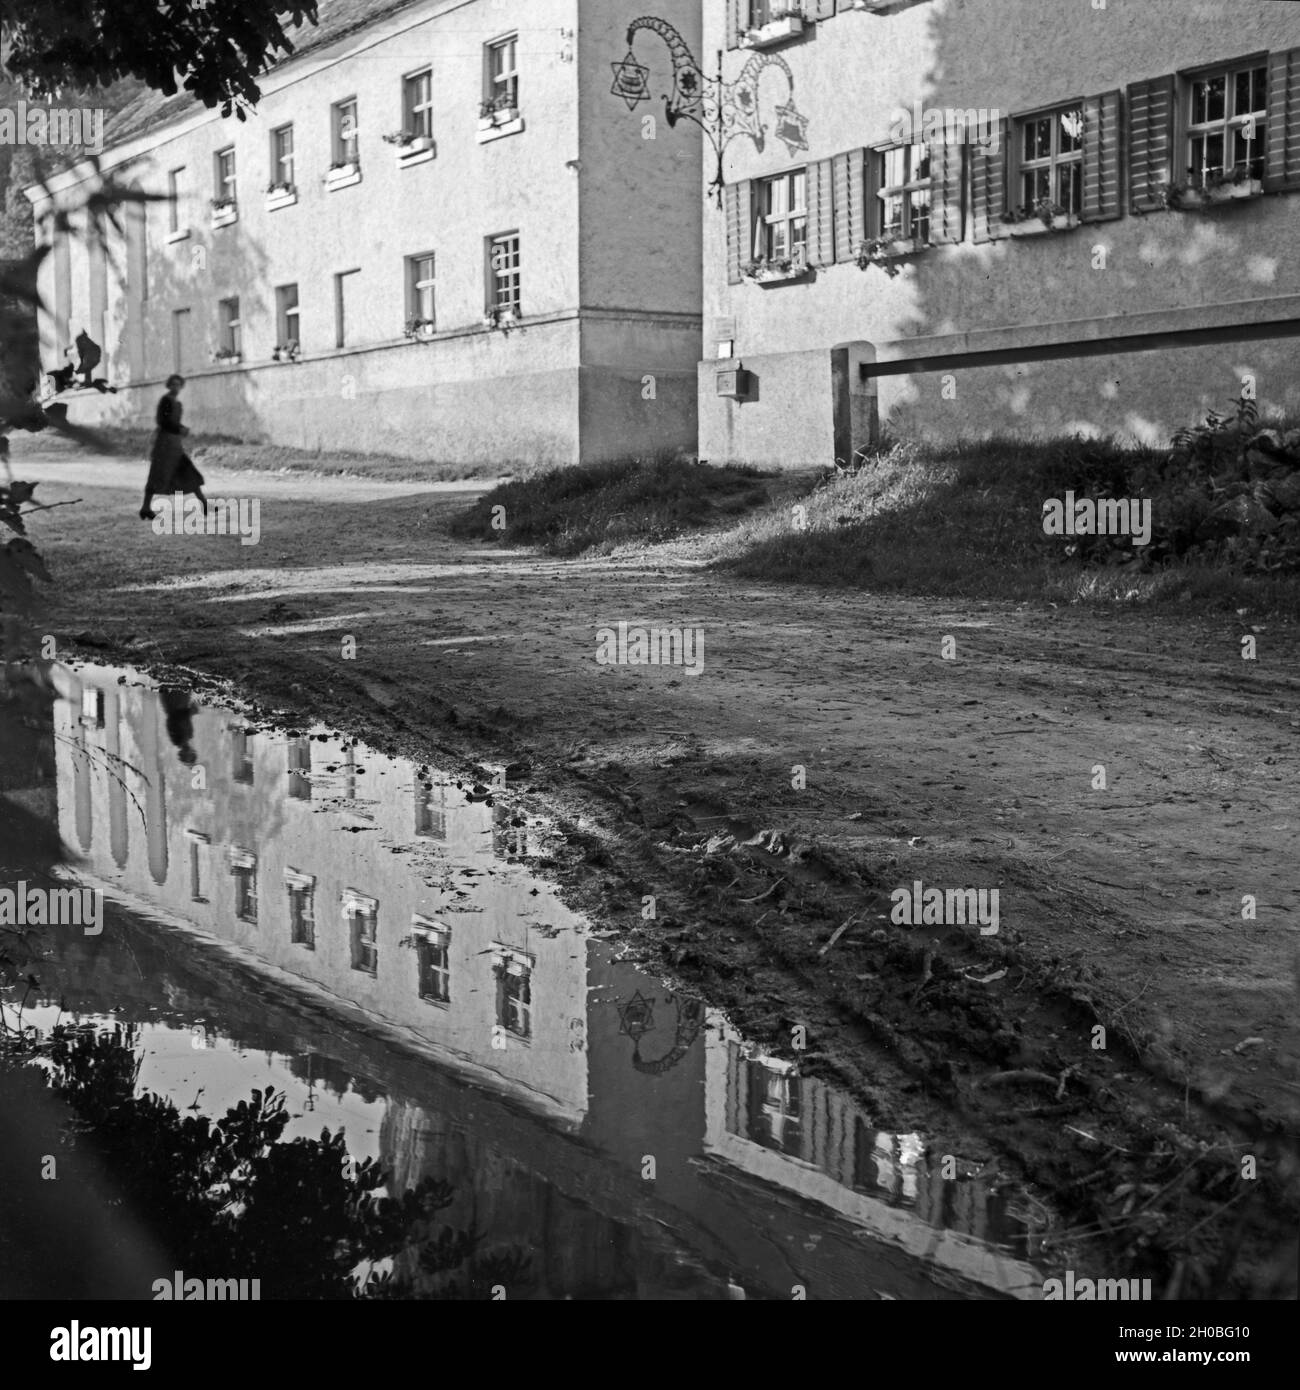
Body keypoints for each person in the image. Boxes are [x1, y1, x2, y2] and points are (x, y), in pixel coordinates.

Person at [140, 374, 206, 520]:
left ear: (181, 386)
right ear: (169, 386)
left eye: (178, 385)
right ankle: (145, 507)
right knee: (157, 474)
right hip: (164, 443)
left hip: (174, 444)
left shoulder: (178, 404)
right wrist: (179, 429)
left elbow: (173, 422)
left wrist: (181, 428)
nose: (176, 387)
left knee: (187, 471)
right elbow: (162, 421)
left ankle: (204, 504)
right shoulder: (166, 401)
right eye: (173, 384)